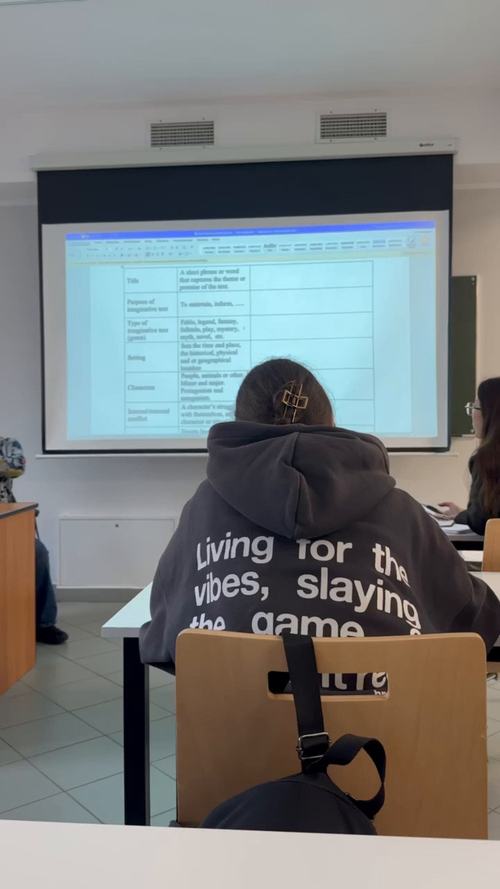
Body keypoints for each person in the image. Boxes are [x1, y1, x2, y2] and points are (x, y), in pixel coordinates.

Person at [139, 359, 500, 689]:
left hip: (236, 738)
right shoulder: (399, 509)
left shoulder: (204, 508)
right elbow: (471, 619)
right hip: (385, 737)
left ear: (241, 425)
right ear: (330, 420)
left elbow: (164, 636)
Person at [0, 436, 68, 644]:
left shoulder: (7, 444)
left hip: (5, 522)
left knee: (37, 552)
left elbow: (16, 468)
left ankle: (43, 624)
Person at [439, 377, 500, 534]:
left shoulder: (488, 459)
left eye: (475, 406)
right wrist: (466, 514)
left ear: (490, 413)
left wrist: (463, 516)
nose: (471, 413)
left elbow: (481, 522)